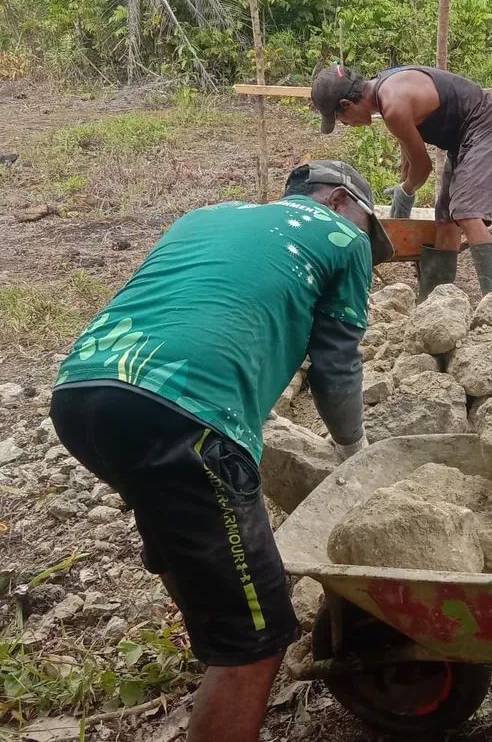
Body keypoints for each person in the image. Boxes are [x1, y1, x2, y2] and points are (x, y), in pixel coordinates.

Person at [49, 160, 392, 742]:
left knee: (174, 510)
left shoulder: (205, 215)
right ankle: (230, 651)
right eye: (367, 223)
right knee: (259, 639)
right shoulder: (341, 237)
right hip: (188, 415)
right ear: (337, 200)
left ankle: (211, 634)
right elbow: (337, 364)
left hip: (83, 395)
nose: (367, 240)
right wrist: (354, 447)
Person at [311, 63, 492, 300]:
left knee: (466, 212)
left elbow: (423, 167)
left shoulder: (394, 106)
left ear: (347, 104)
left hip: (485, 125)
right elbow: (408, 149)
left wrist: (405, 191)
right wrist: (403, 180)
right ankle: (434, 301)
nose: (346, 125)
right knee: (446, 218)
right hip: (462, 137)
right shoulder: (382, 90)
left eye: (341, 119)